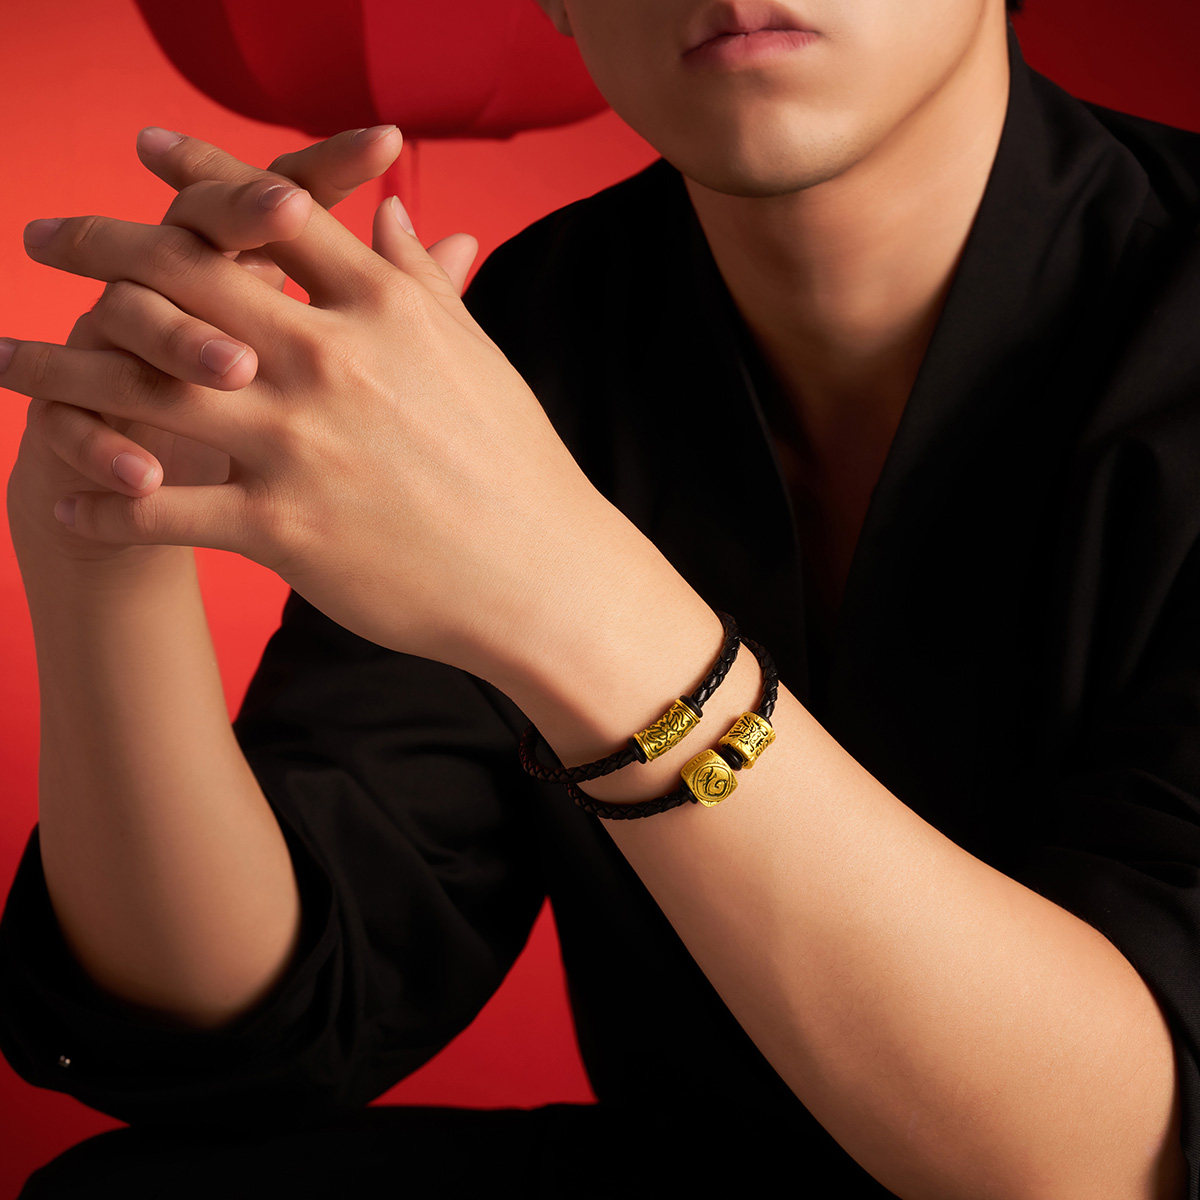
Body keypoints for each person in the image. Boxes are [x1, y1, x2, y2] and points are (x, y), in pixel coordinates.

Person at [2, 0, 1198, 1196]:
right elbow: (270, 1018)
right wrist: (105, 547)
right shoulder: (540, 325)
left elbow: (1110, 1163)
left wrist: (555, 582)